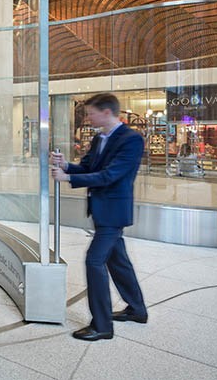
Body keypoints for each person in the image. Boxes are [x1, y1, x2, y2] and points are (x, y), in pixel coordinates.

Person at [51, 93, 148, 341]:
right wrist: (66, 166)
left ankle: (102, 326)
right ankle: (137, 310)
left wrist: (69, 178)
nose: (87, 117)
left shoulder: (131, 139)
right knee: (118, 261)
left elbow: (110, 175)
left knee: (94, 261)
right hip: (101, 209)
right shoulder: (99, 138)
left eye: (91, 113)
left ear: (106, 112)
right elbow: (89, 168)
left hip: (114, 212)